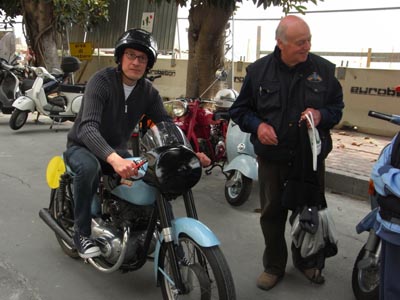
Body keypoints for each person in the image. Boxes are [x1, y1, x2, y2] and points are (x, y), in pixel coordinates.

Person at [65, 28, 210, 259]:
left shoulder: (148, 92)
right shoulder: (100, 81)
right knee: (90, 167)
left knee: (154, 174)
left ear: (148, 63)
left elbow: (165, 125)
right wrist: (113, 158)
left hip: (118, 152)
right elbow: (87, 127)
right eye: (131, 55)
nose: (135, 62)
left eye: (142, 58)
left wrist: (190, 152)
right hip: (82, 148)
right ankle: (81, 233)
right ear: (120, 57)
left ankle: (163, 239)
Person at [229, 15, 344, 291]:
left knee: (308, 211)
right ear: (280, 43)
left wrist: (321, 114)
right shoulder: (258, 72)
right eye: (300, 42)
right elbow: (240, 111)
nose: (307, 46)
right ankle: (274, 266)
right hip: (272, 159)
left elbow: (337, 109)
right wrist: (258, 127)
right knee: (272, 214)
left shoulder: (324, 71)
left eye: (309, 41)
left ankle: (306, 261)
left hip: (310, 160)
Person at [370, 132, 400, 300]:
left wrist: (387, 177)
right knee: (389, 291)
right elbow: (377, 172)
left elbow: (382, 174)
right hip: (391, 227)